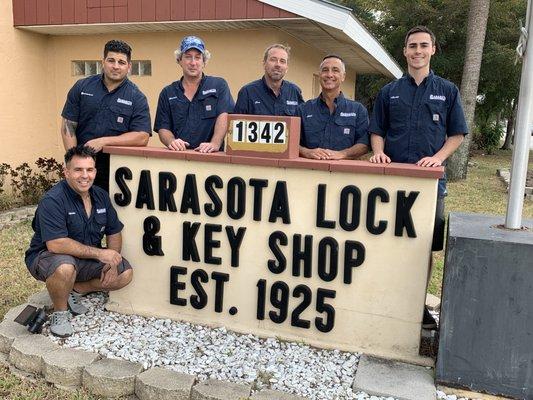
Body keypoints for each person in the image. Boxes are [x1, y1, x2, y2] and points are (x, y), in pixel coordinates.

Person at [368, 26, 468, 329]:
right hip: (393, 183)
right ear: (405, 51)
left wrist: (437, 158)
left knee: (423, 247)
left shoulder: (448, 90)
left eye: (424, 45)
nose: (417, 51)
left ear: (433, 49)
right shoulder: (390, 91)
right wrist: (378, 153)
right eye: (412, 46)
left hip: (430, 184)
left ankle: (417, 303)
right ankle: (385, 300)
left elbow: (457, 134)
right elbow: (377, 130)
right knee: (387, 241)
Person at [24, 146, 133, 337]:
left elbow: (114, 231)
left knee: (125, 274)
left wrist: (112, 261)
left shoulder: (100, 195)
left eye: (89, 170)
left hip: (83, 259)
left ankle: (76, 289)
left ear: (95, 172)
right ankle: (60, 312)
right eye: (78, 170)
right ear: (66, 172)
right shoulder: (53, 200)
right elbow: (56, 244)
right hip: (48, 257)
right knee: (65, 267)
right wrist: (101, 253)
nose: (85, 176)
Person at [61, 39, 151, 192]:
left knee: (109, 213)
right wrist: (74, 160)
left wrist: (103, 142)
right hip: (83, 167)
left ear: (129, 66)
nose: (116, 66)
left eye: (121, 62)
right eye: (111, 60)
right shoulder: (82, 87)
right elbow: (68, 124)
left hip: (118, 172)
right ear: (103, 62)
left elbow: (142, 137)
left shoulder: (137, 97)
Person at [155, 36, 234, 152]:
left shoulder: (219, 85)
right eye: (188, 57)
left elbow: (224, 115)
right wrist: (171, 141)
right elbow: (163, 127)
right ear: (179, 61)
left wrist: (214, 143)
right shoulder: (167, 93)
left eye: (198, 58)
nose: (193, 63)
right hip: (178, 158)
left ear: (204, 62)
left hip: (211, 157)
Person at [299, 55, 369, 160]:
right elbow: (290, 142)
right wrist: (307, 152)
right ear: (319, 75)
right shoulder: (303, 110)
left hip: (343, 173)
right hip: (309, 172)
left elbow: (364, 144)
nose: (329, 75)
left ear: (343, 76)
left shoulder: (358, 110)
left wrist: (343, 153)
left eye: (335, 70)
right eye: (325, 70)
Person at [234, 44, 304, 116]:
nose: (278, 65)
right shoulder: (247, 92)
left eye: (282, 61)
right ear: (264, 64)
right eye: (273, 60)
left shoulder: (294, 91)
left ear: (287, 68)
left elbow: (302, 123)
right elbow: (236, 124)